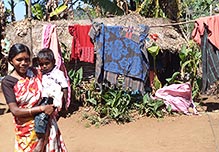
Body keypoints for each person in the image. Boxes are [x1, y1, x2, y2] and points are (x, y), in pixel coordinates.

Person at [1, 43, 68, 152]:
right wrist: (42, 109)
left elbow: (54, 87)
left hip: (46, 123)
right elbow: (15, 111)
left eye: (27, 59)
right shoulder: (7, 82)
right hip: (25, 129)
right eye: (19, 60)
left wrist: (57, 105)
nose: (24, 63)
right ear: (11, 61)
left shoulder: (36, 72)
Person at [34, 48, 68, 137]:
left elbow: (65, 87)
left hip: (52, 99)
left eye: (47, 63)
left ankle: (41, 132)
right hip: (43, 99)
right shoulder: (41, 73)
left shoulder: (58, 74)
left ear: (53, 62)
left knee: (44, 117)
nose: (44, 66)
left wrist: (64, 103)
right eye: (41, 64)